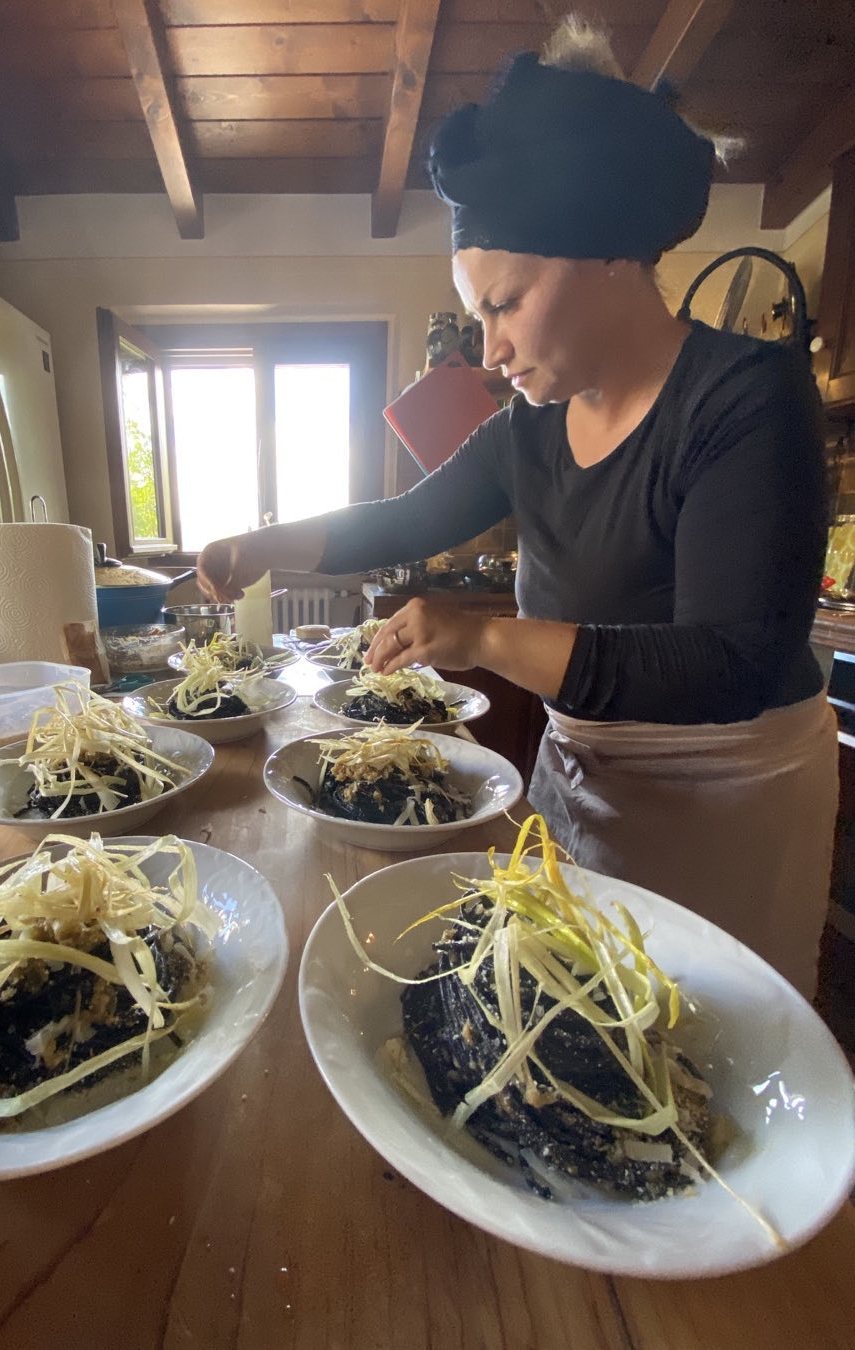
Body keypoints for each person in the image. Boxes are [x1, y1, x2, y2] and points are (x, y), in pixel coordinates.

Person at [195, 20, 837, 998]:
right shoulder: (533, 428)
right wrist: (260, 543)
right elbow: (406, 519)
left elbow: (729, 662)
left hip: (729, 796)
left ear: (610, 256)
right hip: (582, 767)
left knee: (690, 1041)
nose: (487, 349)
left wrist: (485, 640)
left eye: (505, 303)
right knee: (569, 1009)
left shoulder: (749, 397)